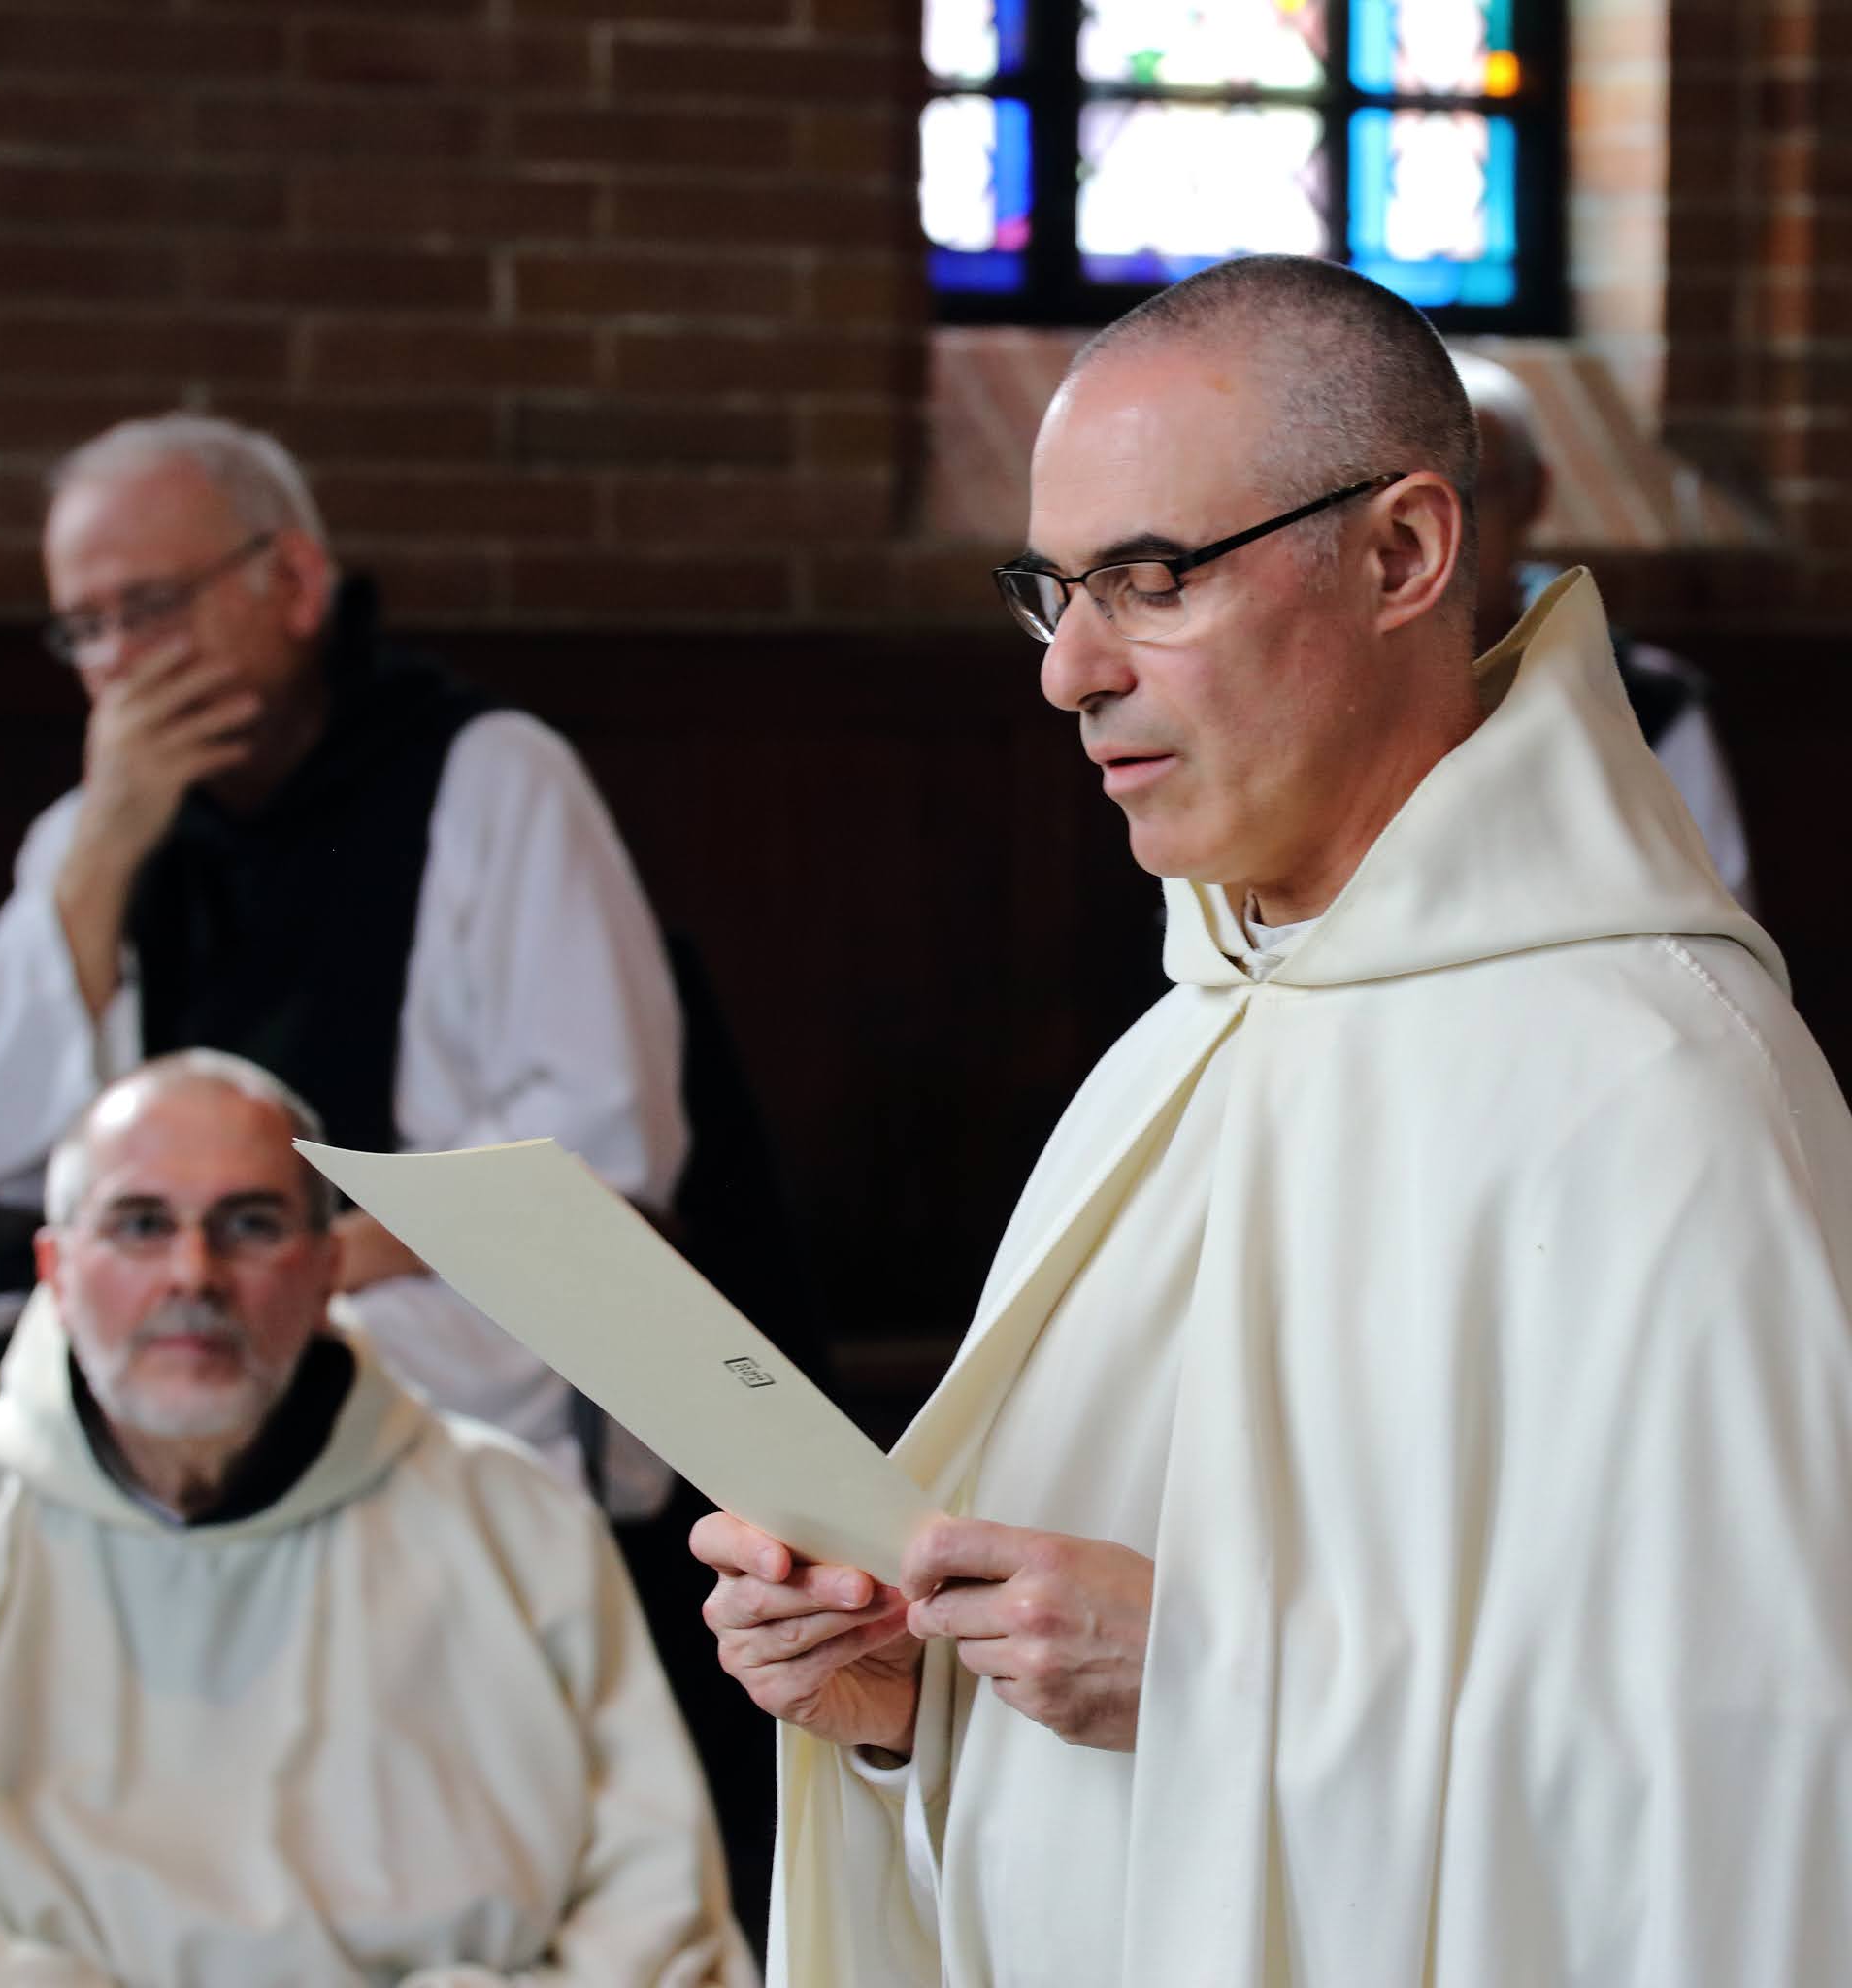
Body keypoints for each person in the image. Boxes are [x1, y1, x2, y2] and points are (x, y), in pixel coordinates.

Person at [693, 255, 1852, 1986]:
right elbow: (1074, 1733)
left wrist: (1216, 1680)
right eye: (1049, 590)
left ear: (1400, 554)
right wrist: (897, 1705)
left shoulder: (1660, 1092)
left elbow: (1762, 1810)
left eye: (1148, 580)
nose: (1066, 671)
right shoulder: (1169, 1058)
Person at [0, 414, 685, 1519]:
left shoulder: (490, 777)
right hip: (182, 1296)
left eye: (149, 607)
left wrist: (297, 1265)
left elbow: (603, 1140)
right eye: (85, 627)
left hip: (420, 1304)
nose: (117, 658)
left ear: (295, 582)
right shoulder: (95, 832)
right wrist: (99, 861)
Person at [0, 1050, 755, 1985]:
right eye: (140, 1224)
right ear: (57, 1265)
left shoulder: (518, 1525)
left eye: (249, 1225)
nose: (193, 1275)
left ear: (330, 1264)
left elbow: (655, 1916)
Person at [1456, 348, 1756, 909]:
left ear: (1533, 494)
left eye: (1471, 494)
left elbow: (1714, 913)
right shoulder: (1345, 687)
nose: (1442, 532)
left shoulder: (1646, 698)